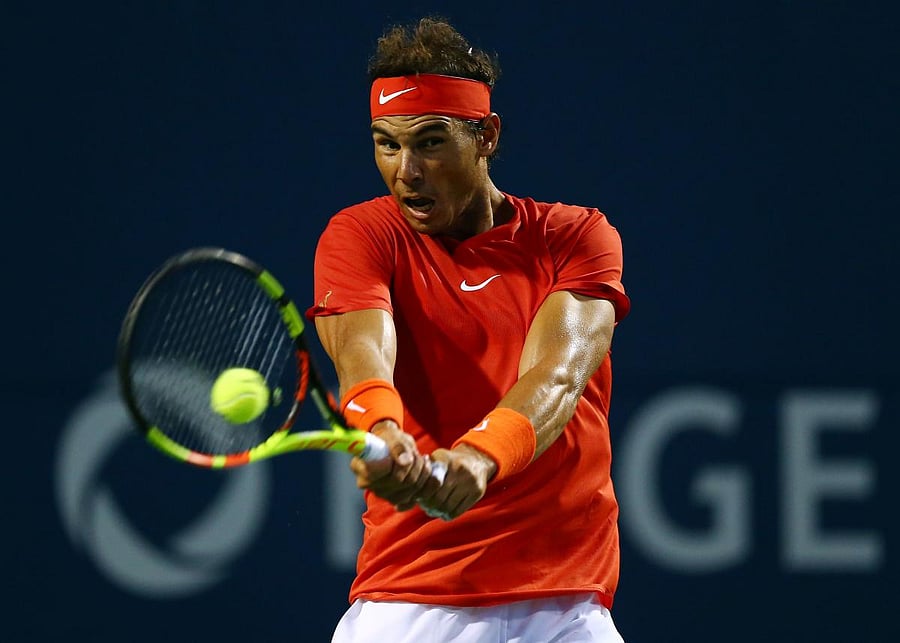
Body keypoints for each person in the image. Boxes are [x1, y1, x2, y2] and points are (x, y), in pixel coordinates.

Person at [307, 16, 630, 643]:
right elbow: (363, 355)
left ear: (485, 136)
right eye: (386, 143)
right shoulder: (360, 235)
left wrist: (481, 458)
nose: (406, 171)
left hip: (567, 611)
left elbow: (558, 377)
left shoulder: (576, 236)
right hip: (411, 603)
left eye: (430, 142)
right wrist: (382, 431)